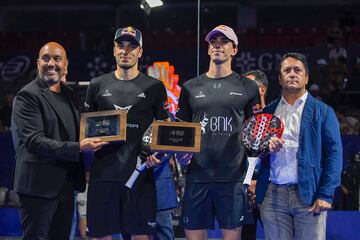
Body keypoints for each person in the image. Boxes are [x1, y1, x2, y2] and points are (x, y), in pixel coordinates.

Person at [12, 42, 107, 240]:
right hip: (38, 187)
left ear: (66, 64)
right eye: (46, 59)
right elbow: (34, 142)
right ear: (38, 63)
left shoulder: (70, 95)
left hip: (66, 184)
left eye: (57, 59)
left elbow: (82, 129)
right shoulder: (27, 95)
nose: (51, 64)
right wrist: (79, 147)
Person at [83, 26, 170, 240]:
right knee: (101, 235)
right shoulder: (96, 85)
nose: (125, 51)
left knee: (141, 236)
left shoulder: (155, 87)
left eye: (132, 46)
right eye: (120, 46)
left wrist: (157, 156)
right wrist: (87, 145)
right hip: (103, 176)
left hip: (140, 174)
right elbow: (85, 131)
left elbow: (166, 131)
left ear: (140, 52)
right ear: (113, 50)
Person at [176, 25, 260, 240]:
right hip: (197, 177)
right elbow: (180, 133)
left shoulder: (248, 87)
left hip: (233, 179)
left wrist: (252, 176)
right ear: (207, 49)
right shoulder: (189, 87)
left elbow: (255, 135)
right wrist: (179, 153)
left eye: (224, 41)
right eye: (213, 41)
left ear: (234, 49)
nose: (218, 45)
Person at [256, 52, 343, 240]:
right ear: (280, 79)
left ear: (306, 77)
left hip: (309, 194)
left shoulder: (323, 112)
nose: (292, 74)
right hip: (273, 197)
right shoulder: (268, 112)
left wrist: (326, 194)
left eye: (298, 70)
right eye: (287, 70)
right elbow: (255, 152)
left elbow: (335, 155)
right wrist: (265, 148)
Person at [241, 69, 269, 240]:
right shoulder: (238, 117)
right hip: (242, 191)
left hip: (268, 190)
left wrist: (258, 182)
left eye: (248, 85)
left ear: (262, 90)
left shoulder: (275, 117)